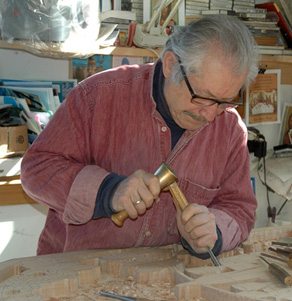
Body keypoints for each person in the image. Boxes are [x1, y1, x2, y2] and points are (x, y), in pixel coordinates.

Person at [21, 16, 259, 260]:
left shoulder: (229, 129)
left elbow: (239, 207)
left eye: (223, 102)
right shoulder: (96, 98)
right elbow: (36, 170)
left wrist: (213, 232)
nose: (210, 116)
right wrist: (107, 191)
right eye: (202, 97)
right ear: (170, 65)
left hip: (165, 278)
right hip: (77, 273)